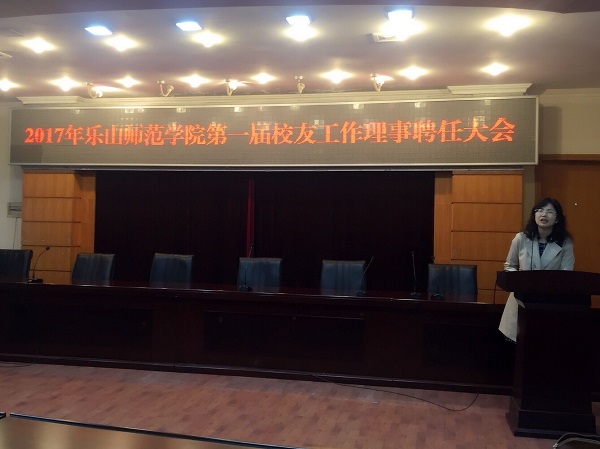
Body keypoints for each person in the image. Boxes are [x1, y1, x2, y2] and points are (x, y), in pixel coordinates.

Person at [498, 197, 574, 342]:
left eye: (549, 211)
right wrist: (521, 281)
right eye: (539, 210)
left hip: (549, 301)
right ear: (534, 215)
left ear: (557, 219)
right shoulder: (521, 239)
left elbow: (566, 273)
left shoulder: (565, 242)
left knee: (543, 342)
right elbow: (510, 266)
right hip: (521, 298)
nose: (543, 214)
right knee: (519, 343)